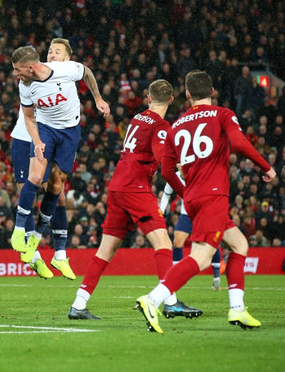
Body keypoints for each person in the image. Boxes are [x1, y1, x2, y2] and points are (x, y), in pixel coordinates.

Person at [136, 71, 276, 333]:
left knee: (239, 244)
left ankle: (237, 308)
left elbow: (167, 171)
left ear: (187, 95)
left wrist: (185, 192)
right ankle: (152, 300)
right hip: (214, 195)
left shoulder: (176, 125)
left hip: (194, 197)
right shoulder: (223, 114)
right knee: (201, 257)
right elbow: (239, 143)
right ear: (212, 91)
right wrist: (266, 167)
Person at [68, 80, 201, 320]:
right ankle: (170, 301)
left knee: (106, 250)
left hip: (117, 186)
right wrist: (187, 186)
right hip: (136, 189)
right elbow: (165, 162)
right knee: (163, 244)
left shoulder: (138, 118)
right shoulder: (161, 126)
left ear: (149, 98)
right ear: (171, 101)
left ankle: (78, 304)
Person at [10, 46, 110, 266]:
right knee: (35, 178)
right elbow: (28, 118)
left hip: (70, 131)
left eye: (17, 70)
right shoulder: (25, 86)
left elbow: (87, 72)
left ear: (30, 67)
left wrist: (98, 99)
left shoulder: (65, 70)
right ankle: (18, 231)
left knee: (57, 187)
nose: (15, 74)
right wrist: (36, 142)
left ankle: (42, 241)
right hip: (45, 128)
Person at [160, 179, 223, 290]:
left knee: (212, 242)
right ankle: (175, 278)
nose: (180, 166)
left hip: (203, 212)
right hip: (186, 214)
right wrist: (161, 211)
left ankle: (216, 277)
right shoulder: (174, 176)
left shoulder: (199, 173)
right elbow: (166, 194)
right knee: (177, 242)